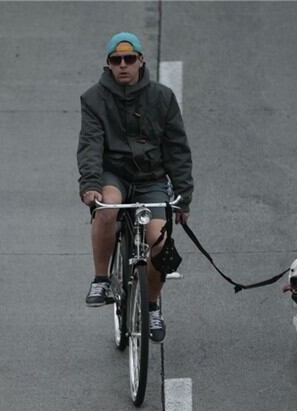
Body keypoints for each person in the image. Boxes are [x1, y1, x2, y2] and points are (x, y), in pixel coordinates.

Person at [77, 32, 194, 342]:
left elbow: (177, 149)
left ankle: (152, 306)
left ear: (141, 61)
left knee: (159, 241)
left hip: (151, 179)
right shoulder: (93, 99)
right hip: (113, 175)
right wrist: (91, 184)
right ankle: (101, 279)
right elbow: (90, 145)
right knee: (107, 209)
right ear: (109, 64)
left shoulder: (162, 97)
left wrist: (183, 198)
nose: (123, 65)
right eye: (116, 60)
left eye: (130, 59)